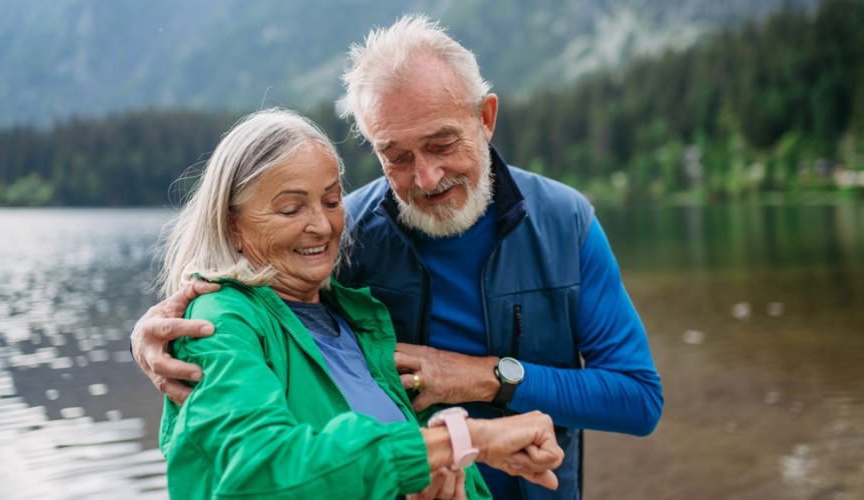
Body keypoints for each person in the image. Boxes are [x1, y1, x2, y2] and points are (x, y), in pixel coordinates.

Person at [133, 15, 663, 500]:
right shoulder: (345, 235)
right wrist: (155, 329)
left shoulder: (565, 223)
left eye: (442, 144)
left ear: (486, 117)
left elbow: (639, 399)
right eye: (397, 156)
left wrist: (487, 378)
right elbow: (251, 305)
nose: (426, 178)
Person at [151, 107, 565, 500]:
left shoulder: (353, 317)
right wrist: (463, 440)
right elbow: (256, 473)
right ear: (232, 225)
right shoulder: (218, 320)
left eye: (332, 201)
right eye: (291, 208)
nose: (321, 225)